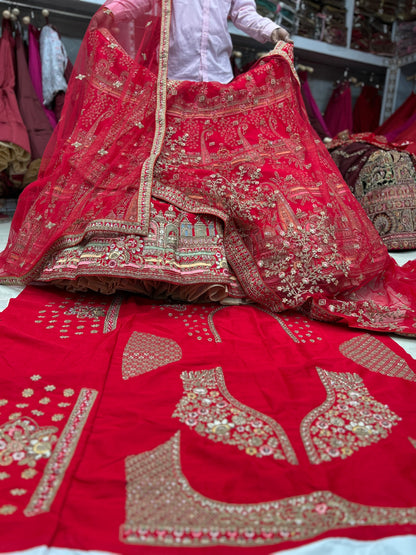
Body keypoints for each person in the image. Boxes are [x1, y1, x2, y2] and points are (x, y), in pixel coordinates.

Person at [1, 0, 416, 335]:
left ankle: (225, 263)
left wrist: (271, 31)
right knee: (165, 169)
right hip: (168, 86)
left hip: (219, 86)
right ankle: (161, 261)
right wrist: (111, 12)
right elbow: (136, 3)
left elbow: (242, 13)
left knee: (223, 175)